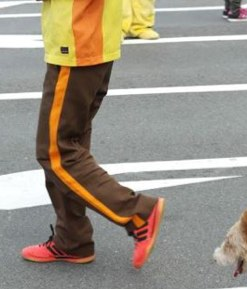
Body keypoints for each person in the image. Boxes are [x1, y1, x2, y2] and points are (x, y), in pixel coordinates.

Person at [21, 0, 165, 269]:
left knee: (57, 151)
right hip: (95, 38)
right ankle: (72, 240)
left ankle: (138, 212)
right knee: (72, 143)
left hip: (76, 40)